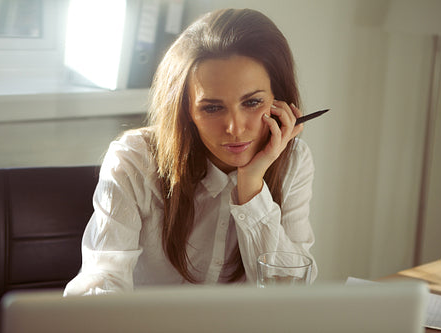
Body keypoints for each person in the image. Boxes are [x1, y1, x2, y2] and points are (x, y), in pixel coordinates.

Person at [64, 8, 317, 295]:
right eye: (212, 107)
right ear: (186, 111)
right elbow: (102, 287)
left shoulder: (293, 160)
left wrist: (252, 187)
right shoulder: (134, 159)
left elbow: (291, 293)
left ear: (278, 100)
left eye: (252, 103)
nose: (234, 128)